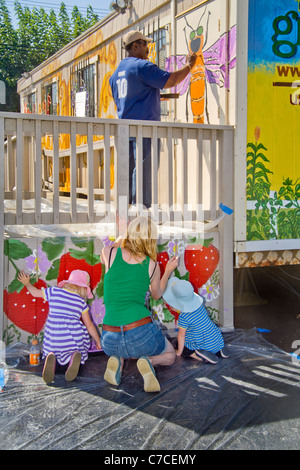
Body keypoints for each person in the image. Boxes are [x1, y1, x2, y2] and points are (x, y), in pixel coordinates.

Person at [109, 30, 197, 208]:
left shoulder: (116, 73)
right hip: (144, 130)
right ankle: (141, 214)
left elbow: (128, 98)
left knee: (128, 172)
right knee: (143, 172)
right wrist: (189, 66)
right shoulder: (142, 66)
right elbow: (171, 80)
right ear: (135, 46)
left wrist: (154, 96)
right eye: (145, 44)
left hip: (125, 131)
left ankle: (125, 213)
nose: (148, 49)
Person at [100, 215, 178, 393]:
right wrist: (167, 272)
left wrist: (123, 234)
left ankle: (117, 360)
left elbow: (115, 246)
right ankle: (148, 361)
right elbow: (157, 295)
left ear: (129, 233)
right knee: (170, 355)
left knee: (121, 346)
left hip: (109, 338)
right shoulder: (151, 265)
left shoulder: (109, 253)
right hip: (140, 333)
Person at [17, 269, 101, 383]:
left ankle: (51, 359)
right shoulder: (81, 302)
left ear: (68, 283)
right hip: (73, 340)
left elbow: (34, 293)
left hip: (54, 339)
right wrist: (98, 341)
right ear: (83, 289)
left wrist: (27, 283)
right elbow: (90, 325)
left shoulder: (54, 291)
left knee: (52, 348)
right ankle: (73, 357)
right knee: (80, 344)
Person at [163, 277, 229, 364]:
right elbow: (192, 314)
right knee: (202, 334)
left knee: (180, 345)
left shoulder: (184, 317)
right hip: (216, 340)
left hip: (204, 345)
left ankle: (198, 355)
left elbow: (181, 335)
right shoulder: (200, 306)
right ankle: (218, 351)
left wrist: (179, 352)